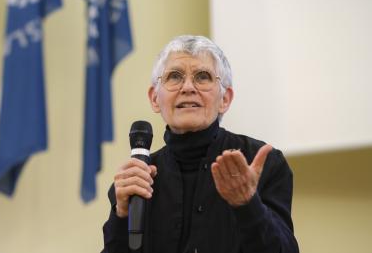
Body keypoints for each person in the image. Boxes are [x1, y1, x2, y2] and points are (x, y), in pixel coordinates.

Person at [101, 35, 299, 253]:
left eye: (202, 77)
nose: (187, 87)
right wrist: (121, 214)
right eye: (174, 76)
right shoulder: (136, 181)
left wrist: (248, 205)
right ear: (155, 98)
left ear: (225, 99)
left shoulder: (262, 164)